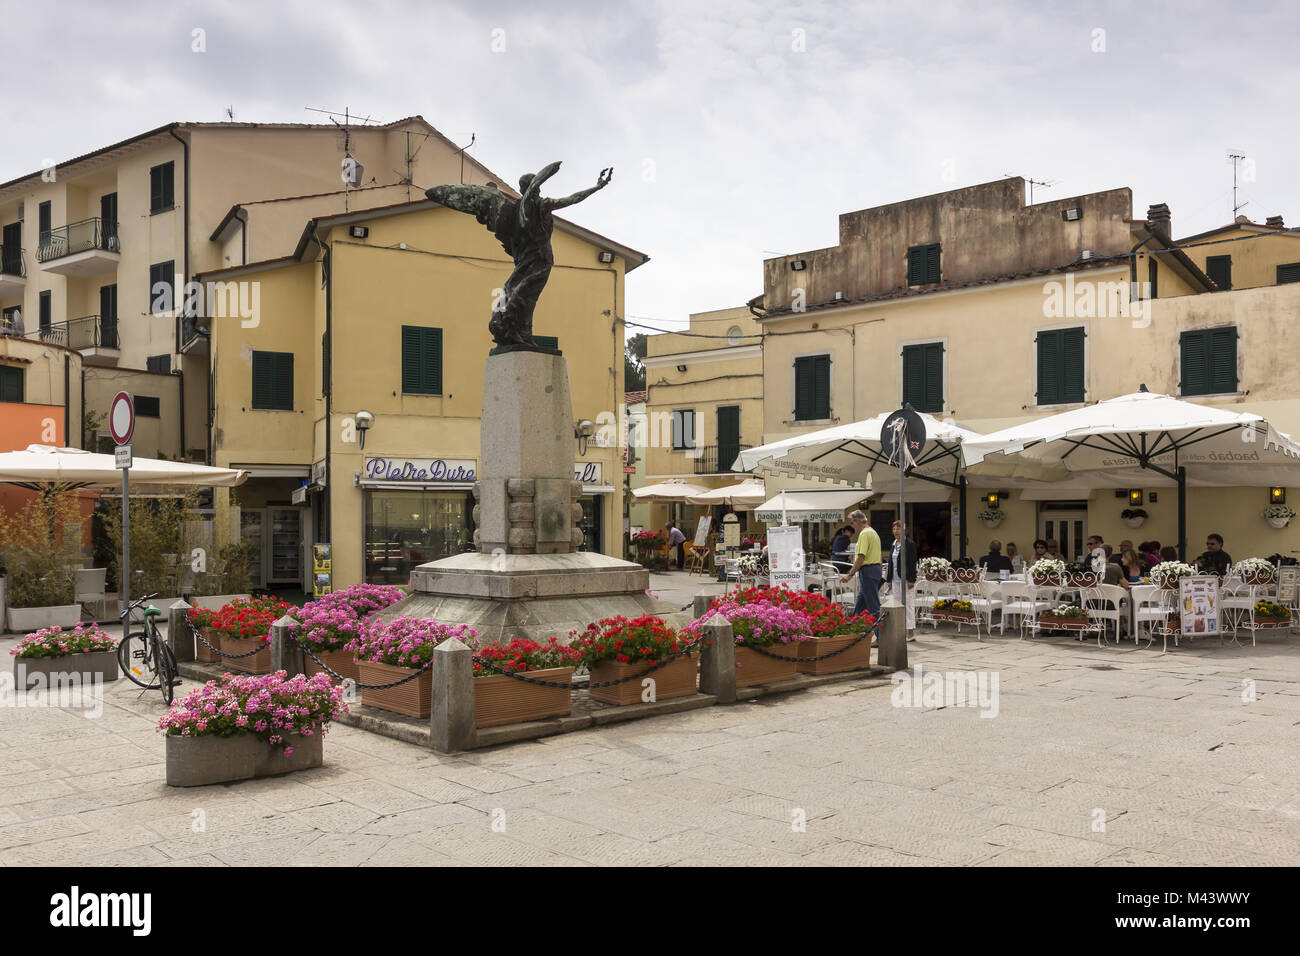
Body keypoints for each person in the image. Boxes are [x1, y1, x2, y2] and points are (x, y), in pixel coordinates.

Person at [840, 511, 882, 634]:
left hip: (868, 570)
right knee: (860, 604)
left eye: (852, 522)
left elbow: (861, 557)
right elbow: (878, 556)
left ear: (857, 521)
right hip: (874, 570)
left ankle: (881, 638)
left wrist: (850, 574)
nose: (852, 526)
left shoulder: (864, 534)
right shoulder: (873, 532)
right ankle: (853, 632)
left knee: (873, 606)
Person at [885, 519, 919, 642]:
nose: (896, 531)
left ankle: (910, 632)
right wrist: (888, 578)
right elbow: (890, 562)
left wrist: (912, 579)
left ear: (905, 530)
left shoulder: (909, 544)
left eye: (899, 529)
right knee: (897, 604)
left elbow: (911, 562)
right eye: (894, 529)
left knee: (908, 604)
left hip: (905, 579)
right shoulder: (894, 543)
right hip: (895, 578)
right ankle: (900, 630)